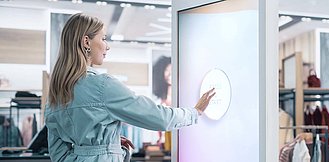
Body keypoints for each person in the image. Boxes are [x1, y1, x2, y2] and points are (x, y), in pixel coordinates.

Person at [45, 13, 215, 162]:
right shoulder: (102, 86)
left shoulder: (55, 94)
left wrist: (107, 144)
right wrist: (195, 112)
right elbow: (158, 117)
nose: (107, 46)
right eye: (103, 38)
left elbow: (58, 154)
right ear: (86, 41)